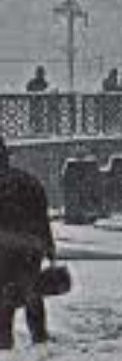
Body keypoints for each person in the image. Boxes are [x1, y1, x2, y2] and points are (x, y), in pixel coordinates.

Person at [0, 136, 55, 349]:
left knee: (4, 298)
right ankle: (40, 338)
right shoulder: (29, 181)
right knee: (32, 292)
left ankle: (4, 342)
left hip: (3, 249)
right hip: (30, 249)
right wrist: (49, 247)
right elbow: (42, 217)